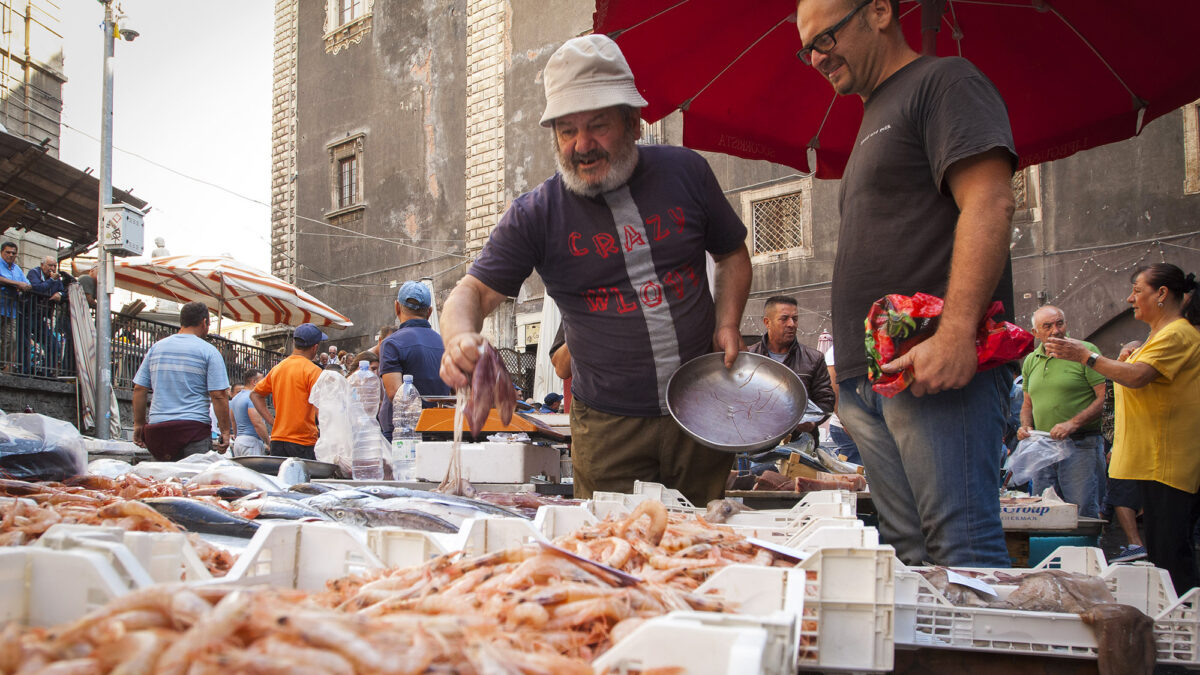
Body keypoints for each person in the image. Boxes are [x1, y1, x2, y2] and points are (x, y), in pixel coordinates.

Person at [439, 34, 752, 507]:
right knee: (606, 544)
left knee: (706, 536)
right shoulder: (536, 214)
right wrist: (460, 339)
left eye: (598, 126)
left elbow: (732, 256)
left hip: (702, 405)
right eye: (566, 131)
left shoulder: (687, 173)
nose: (581, 145)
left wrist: (727, 323)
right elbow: (474, 292)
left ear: (633, 123)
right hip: (608, 427)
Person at [796, 0, 1017, 566]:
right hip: (873, 379)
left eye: (825, 39)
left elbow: (989, 200)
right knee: (908, 555)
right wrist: (850, 381)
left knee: (961, 550)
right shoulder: (873, 114)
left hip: (932, 367)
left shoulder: (945, 81)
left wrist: (956, 333)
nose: (817, 58)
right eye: (807, 49)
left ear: (878, 12)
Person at [1046, 263, 1200, 593]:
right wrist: (1125, 357)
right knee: (1163, 552)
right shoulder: (1158, 335)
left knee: (1172, 557)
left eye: (1137, 290)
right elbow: (1135, 374)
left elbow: (1139, 377)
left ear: (1161, 294)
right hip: (1151, 460)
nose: (1130, 298)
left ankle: (1183, 614)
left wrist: (1087, 357)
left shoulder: (1177, 333)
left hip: (1167, 461)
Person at [1016, 306, 1107, 518]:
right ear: (1035, 332)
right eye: (1047, 326)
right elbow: (1027, 404)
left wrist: (1073, 423)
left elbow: (1105, 397)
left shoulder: (1085, 351)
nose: (1055, 330)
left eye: (1059, 323)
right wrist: (1025, 426)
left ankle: (1086, 542)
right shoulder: (1031, 360)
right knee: (1043, 511)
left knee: (1081, 512)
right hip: (1043, 447)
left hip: (1080, 444)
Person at [131, 301, 231, 461]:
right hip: (193, 429)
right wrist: (225, 431)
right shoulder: (209, 351)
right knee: (194, 475)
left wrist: (138, 424)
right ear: (204, 322)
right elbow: (218, 395)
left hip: (158, 430)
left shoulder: (156, 348)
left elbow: (139, 389)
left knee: (163, 477)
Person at [747, 296, 836, 445]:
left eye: (795, 319)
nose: (791, 324)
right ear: (767, 322)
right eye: (784, 319)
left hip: (799, 445)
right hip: (755, 443)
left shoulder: (814, 358)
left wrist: (812, 422)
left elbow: (826, 400)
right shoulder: (749, 358)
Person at [380, 281, 451, 441]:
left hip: (405, 434)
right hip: (440, 429)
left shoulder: (391, 343)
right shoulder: (446, 344)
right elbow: (455, 390)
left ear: (397, 307)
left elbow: (394, 393)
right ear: (429, 312)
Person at [251, 323, 327, 459]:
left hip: (278, 440)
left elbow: (255, 395)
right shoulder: (313, 371)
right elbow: (321, 408)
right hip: (303, 441)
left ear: (294, 343)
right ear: (315, 347)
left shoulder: (278, 368)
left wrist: (272, 421)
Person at [823, 344, 861, 464]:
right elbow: (833, 391)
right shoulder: (835, 351)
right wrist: (845, 422)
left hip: (858, 425)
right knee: (854, 470)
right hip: (847, 426)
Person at [0, 242, 29, 370]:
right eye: (8, 252)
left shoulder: (17, 268)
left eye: (13, 253)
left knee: (11, 339)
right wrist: (16, 284)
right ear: (2, 252)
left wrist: (25, 287)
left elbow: (27, 283)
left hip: (10, 310)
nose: (11, 255)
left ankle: (2, 364)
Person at [230, 369, 271, 457]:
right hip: (251, 443)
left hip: (239, 442)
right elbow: (257, 423)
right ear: (254, 382)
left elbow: (233, 421)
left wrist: (237, 437)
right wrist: (268, 442)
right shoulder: (252, 397)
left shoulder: (235, 398)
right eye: (262, 380)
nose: (264, 383)